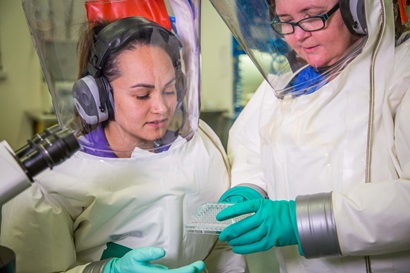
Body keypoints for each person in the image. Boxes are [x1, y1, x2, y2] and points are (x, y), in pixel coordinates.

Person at [0, 1, 248, 272]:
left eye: (169, 89)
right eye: (142, 95)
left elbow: (223, 247)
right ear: (97, 97)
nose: (162, 107)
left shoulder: (198, 148)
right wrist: (105, 270)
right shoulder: (54, 177)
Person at [208, 0, 410, 272]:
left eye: (313, 16)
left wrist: (300, 221)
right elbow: (253, 153)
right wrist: (247, 190)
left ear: (357, 11)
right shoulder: (286, 86)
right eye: (285, 20)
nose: (298, 35)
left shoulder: (399, 74)